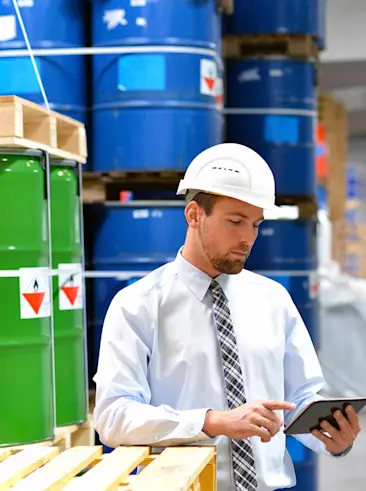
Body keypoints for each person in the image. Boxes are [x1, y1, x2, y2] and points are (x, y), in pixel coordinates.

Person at [93, 143, 361, 491]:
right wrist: (211, 421)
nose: (247, 238)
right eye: (235, 221)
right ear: (194, 215)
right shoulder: (138, 305)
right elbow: (113, 418)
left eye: (255, 224)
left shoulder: (273, 299)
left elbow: (299, 401)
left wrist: (332, 437)